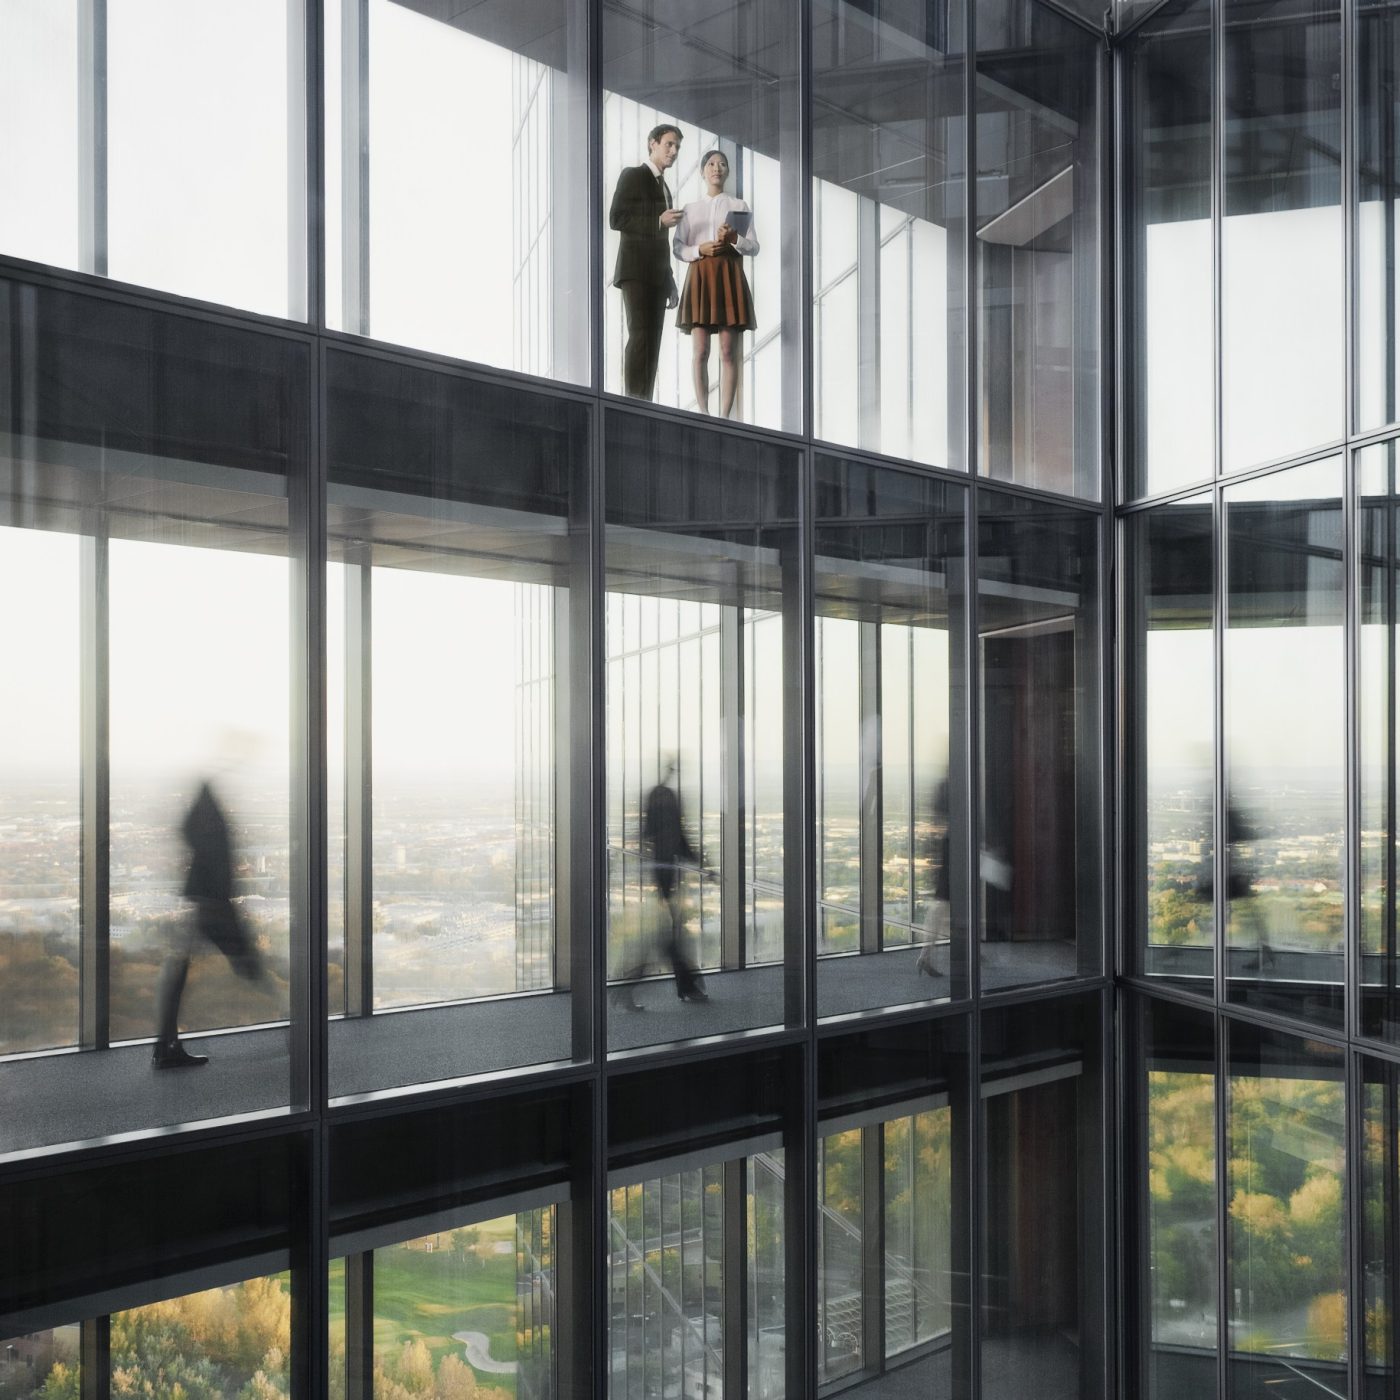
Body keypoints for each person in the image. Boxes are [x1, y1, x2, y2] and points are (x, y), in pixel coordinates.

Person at [153, 778, 269, 1069]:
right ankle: (297, 1021)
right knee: (247, 964)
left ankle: (166, 1044)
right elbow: (219, 864)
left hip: (205, 901)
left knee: (181, 970)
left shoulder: (200, 821)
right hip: (214, 904)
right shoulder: (211, 820)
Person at [613, 760, 711, 1008]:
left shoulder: (656, 796)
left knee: (666, 936)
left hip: (661, 875)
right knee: (666, 937)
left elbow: (653, 833)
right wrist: (702, 865)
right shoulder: (667, 798)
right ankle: (685, 986)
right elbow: (680, 837)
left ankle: (682, 987)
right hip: (667, 877)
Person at [673, 149, 759, 419]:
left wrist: (734, 238)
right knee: (700, 349)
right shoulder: (690, 209)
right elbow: (678, 247)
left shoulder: (738, 206)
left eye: (722, 164)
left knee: (727, 350)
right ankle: (703, 411)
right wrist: (701, 250)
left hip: (728, 273)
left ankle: (723, 415)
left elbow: (753, 247)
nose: (716, 168)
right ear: (702, 171)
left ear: (727, 171)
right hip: (701, 274)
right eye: (711, 164)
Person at [610, 124, 684, 400]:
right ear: (652, 144)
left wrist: (670, 281)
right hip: (635, 272)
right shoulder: (633, 175)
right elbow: (616, 219)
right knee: (640, 336)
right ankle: (633, 400)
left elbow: (661, 243)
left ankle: (644, 402)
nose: (674, 151)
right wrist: (657, 221)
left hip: (657, 276)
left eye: (677, 147)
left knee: (653, 343)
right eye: (669, 144)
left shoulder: (664, 188)